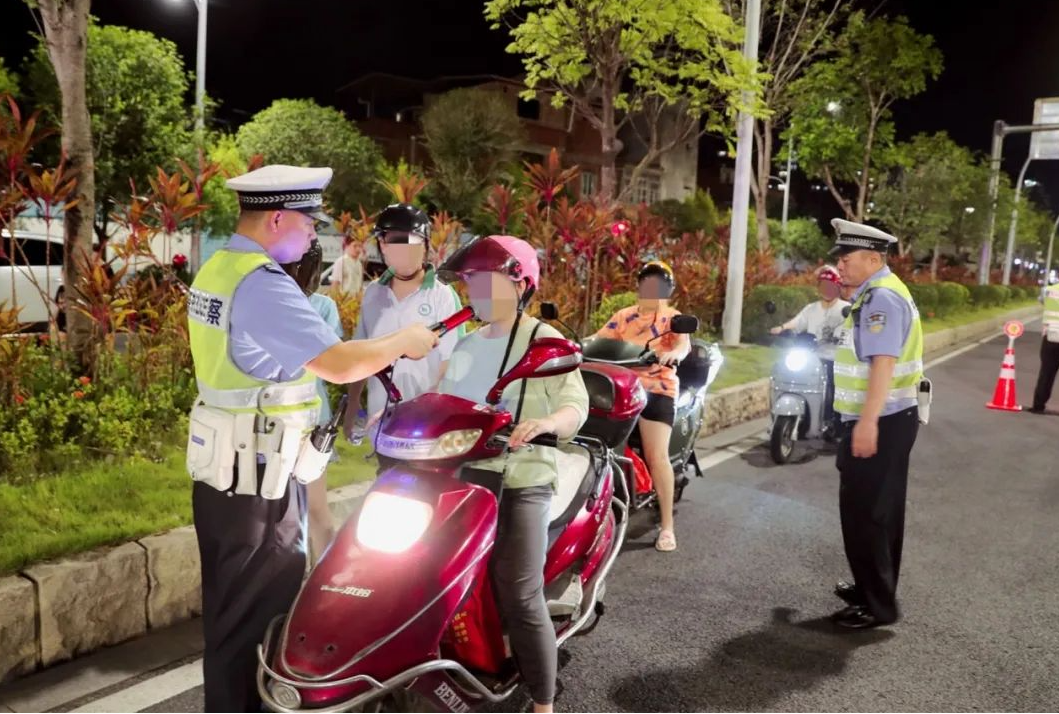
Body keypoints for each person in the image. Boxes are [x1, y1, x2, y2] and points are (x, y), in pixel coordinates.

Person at [185, 164, 438, 712]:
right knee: (259, 622)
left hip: (226, 475)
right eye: (307, 223)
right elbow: (339, 363)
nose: (311, 237)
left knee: (230, 621)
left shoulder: (218, 269)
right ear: (277, 219)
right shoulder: (261, 283)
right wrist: (405, 340)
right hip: (258, 483)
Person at [436, 235, 589, 714]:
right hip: (464, 479)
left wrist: (547, 423)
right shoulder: (465, 344)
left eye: (485, 280)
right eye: (470, 281)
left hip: (523, 478)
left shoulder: (545, 342)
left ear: (520, 284)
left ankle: (543, 703)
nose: (475, 291)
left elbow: (575, 405)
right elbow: (445, 404)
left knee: (520, 590)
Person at [829, 218, 923, 630]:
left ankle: (876, 605)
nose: (840, 264)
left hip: (881, 421)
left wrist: (867, 423)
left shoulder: (881, 298)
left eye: (846, 257)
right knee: (880, 513)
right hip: (893, 418)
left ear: (872, 258)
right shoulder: (880, 291)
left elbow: (883, 363)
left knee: (865, 515)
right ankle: (873, 588)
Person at [344, 203, 462, 444]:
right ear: (382, 246)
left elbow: (451, 363)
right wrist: (352, 404)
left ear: (425, 245)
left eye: (411, 242)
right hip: (379, 421)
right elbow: (360, 353)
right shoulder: (373, 293)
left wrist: (427, 407)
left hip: (426, 424)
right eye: (394, 242)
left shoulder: (442, 295)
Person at [595, 261, 691, 552]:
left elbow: (683, 346)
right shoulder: (623, 317)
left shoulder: (673, 319)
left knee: (656, 455)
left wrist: (673, 355)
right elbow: (597, 340)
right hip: (620, 389)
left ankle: (667, 527)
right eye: (646, 283)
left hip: (656, 389)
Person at [279, 238, 342, 564]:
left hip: (312, 421)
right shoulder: (271, 303)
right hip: (277, 418)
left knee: (316, 509)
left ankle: (324, 575)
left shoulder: (322, 307)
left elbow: (329, 359)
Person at [769, 265, 850, 345]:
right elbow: (797, 322)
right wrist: (781, 328)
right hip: (811, 350)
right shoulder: (811, 308)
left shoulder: (846, 308)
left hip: (837, 352)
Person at [1028, 279, 1059, 414]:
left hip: (1051, 336)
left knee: (1046, 372)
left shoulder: (1048, 290)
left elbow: (1042, 301)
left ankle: (1038, 405)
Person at [328, 233, 365, 298]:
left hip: (355, 301)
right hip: (343, 300)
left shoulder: (359, 264)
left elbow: (360, 287)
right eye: (355, 246)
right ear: (347, 246)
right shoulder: (341, 261)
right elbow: (335, 284)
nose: (358, 249)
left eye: (360, 246)